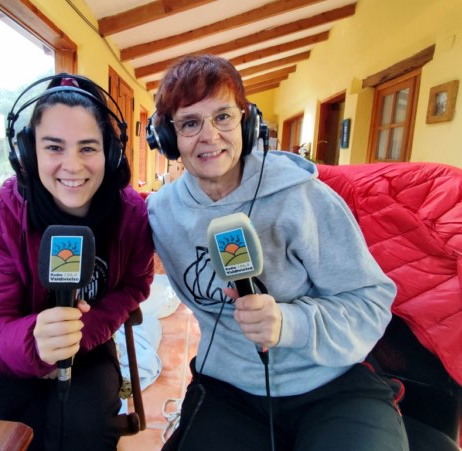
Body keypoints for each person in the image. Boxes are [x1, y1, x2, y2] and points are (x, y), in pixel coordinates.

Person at [146, 54, 408, 451]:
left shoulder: (303, 198)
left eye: (223, 117)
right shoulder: (161, 213)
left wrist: (288, 322)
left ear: (247, 122)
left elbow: (370, 302)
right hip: (228, 391)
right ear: (168, 138)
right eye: (190, 123)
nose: (209, 136)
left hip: (330, 384)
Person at [0, 73, 154, 450]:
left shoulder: (131, 215)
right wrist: (35, 344)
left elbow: (134, 285)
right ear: (28, 152)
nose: (72, 166)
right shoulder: (1, 216)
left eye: (87, 148)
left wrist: (79, 335)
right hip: (7, 349)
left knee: (85, 427)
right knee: (12, 432)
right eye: (54, 147)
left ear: (111, 153)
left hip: (87, 347)